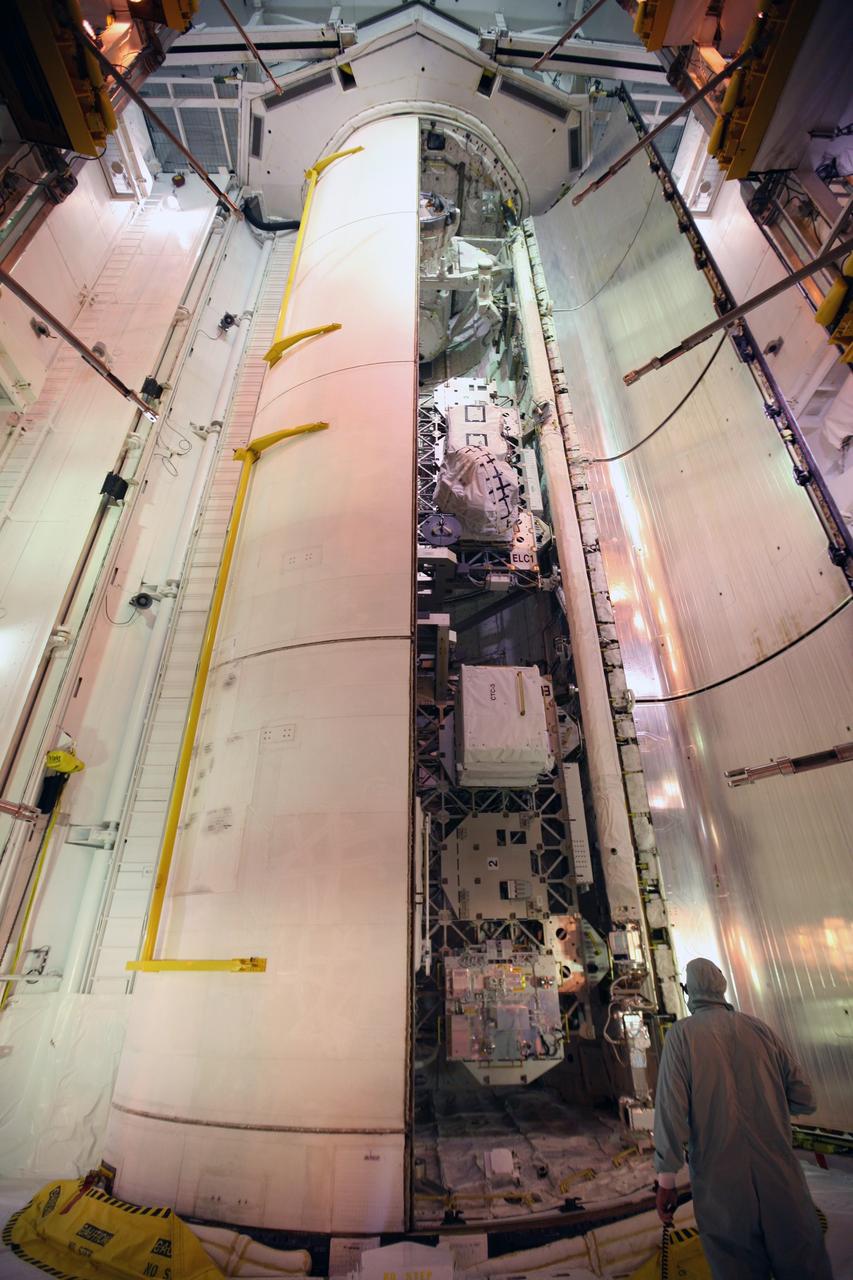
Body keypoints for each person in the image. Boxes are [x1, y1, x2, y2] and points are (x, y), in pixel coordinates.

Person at [652, 957, 833, 1280]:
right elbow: (806, 1099)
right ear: (721, 987)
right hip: (781, 1179)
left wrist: (666, 1181)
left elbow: (670, 1112)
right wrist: (768, 1104)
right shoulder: (759, 1029)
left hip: (722, 1187)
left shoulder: (681, 1037)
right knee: (805, 1265)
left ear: (688, 991)